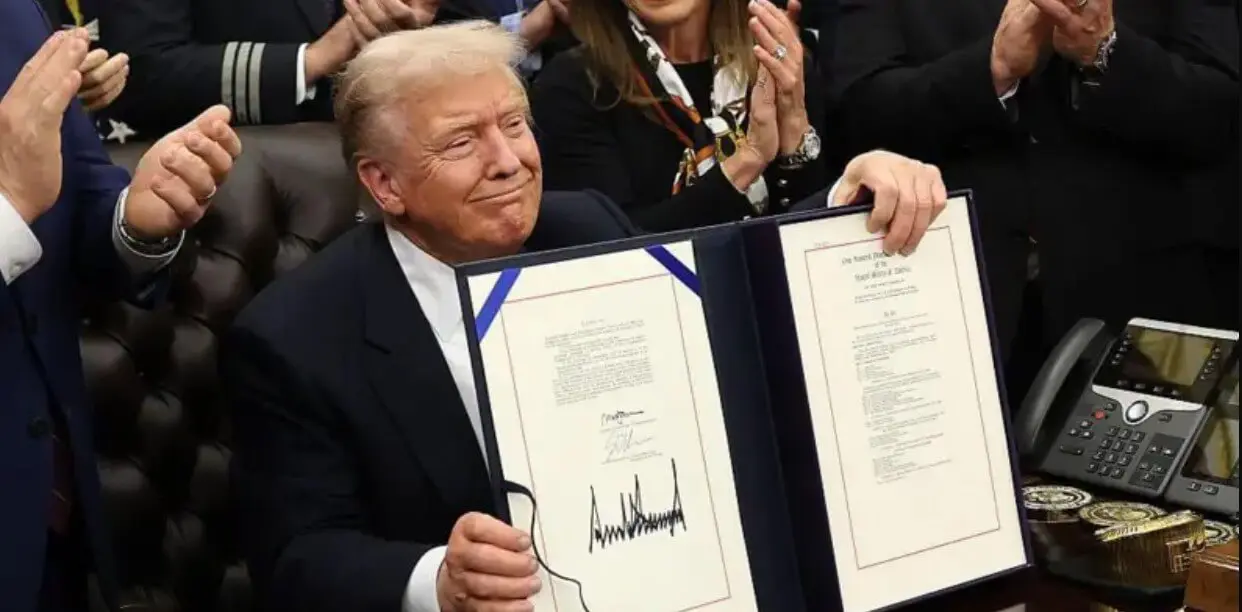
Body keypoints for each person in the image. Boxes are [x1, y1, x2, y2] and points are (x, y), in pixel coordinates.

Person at [224, 20, 948, 612]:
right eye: (462, 142)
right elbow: (299, 558)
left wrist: (850, 201)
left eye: (514, 124)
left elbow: (733, 293)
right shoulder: (293, 337)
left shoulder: (585, 225)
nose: (509, 161)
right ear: (383, 183)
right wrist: (439, 579)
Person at [826, 0, 1239, 376]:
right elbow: (856, 119)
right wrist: (993, 68)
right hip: (944, 308)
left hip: (1144, 306)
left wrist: (1106, 51)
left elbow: (1220, 118)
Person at [0, 18, 242, 612]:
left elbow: (78, 189)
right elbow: (20, 190)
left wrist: (134, 221)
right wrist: (7, 207)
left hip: (47, 504)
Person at [531, 0, 830, 232]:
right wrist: (746, 161)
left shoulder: (779, 60)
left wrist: (794, 127)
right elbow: (615, 250)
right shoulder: (572, 86)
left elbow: (821, 236)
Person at [99, 0, 439, 137]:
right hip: (243, 198)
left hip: (417, 160)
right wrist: (313, 60)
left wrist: (420, 24)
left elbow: (479, 28)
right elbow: (143, 74)